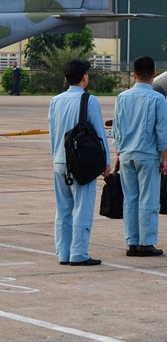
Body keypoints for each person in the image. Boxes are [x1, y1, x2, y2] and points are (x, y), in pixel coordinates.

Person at [49, 60, 111, 266]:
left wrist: (56, 158)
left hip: (60, 161)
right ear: (84, 77)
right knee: (82, 208)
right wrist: (106, 162)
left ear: (65, 78)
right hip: (82, 163)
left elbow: (53, 133)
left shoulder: (55, 101)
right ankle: (79, 253)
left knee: (63, 210)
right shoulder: (89, 100)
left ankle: (63, 253)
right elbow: (99, 134)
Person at [113, 56, 167, 257]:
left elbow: (117, 128)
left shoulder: (122, 97)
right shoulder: (157, 99)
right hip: (147, 155)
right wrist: (165, 156)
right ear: (154, 74)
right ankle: (146, 242)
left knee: (130, 199)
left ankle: (132, 242)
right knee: (149, 199)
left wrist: (118, 153)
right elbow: (162, 130)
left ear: (134, 74)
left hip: (126, 154)